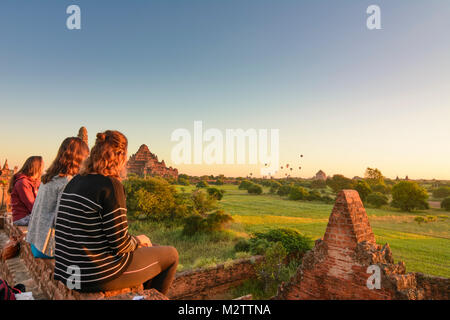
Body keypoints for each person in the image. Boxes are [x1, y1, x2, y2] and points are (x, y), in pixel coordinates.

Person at [54, 130, 178, 294]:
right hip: (93, 277)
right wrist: (138, 240)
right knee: (171, 255)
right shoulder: (110, 185)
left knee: (152, 248)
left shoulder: (75, 180)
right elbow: (120, 245)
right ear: (121, 157)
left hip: (67, 274)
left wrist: (137, 243)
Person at [26, 137, 89, 259]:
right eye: (86, 157)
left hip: (35, 244)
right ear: (79, 158)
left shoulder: (48, 177)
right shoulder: (67, 181)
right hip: (48, 248)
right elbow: (64, 221)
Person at [8, 156, 44, 226]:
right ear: (36, 168)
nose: (42, 171)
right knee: (50, 221)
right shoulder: (23, 183)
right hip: (22, 218)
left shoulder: (33, 182)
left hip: (29, 215)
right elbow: (32, 205)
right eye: (42, 168)